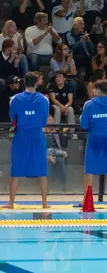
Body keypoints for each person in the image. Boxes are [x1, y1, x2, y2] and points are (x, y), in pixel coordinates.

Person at [6, 73, 50, 208]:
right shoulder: (44, 100)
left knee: (16, 169)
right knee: (42, 170)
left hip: (21, 135)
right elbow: (44, 120)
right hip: (37, 135)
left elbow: (12, 118)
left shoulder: (14, 99)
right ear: (36, 83)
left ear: (24, 83)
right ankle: (44, 203)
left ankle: (11, 202)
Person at [80, 80, 107, 207]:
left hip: (93, 140)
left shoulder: (89, 104)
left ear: (97, 90)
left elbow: (84, 125)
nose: (92, 91)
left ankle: (86, 200)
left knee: (89, 170)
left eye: (93, 89)